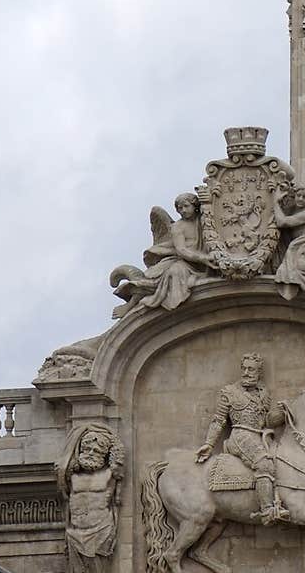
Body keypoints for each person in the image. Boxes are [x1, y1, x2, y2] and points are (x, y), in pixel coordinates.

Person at [195, 353, 289, 526]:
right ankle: (267, 510)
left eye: (251, 369)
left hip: (261, 436)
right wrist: (209, 444)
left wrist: (283, 414)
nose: (246, 372)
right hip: (239, 436)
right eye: (244, 368)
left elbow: (266, 421)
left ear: (258, 372)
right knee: (264, 463)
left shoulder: (264, 393)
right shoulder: (229, 392)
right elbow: (219, 420)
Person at [111, 192, 210, 318]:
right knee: (160, 279)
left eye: (186, 206)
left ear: (194, 205)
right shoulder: (178, 227)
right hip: (184, 260)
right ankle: (130, 306)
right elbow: (182, 250)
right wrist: (203, 258)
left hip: (201, 262)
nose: (183, 211)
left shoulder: (204, 219)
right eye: (180, 208)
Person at [57, 424, 124, 573]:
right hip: (76, 529)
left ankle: (98, 572)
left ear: (104, 454)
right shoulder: (71, 476)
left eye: (97, 450)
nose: (91, 453)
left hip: (101, 527)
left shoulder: (111, 475)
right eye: (87, 449)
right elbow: (63, 483)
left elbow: (119, 459)